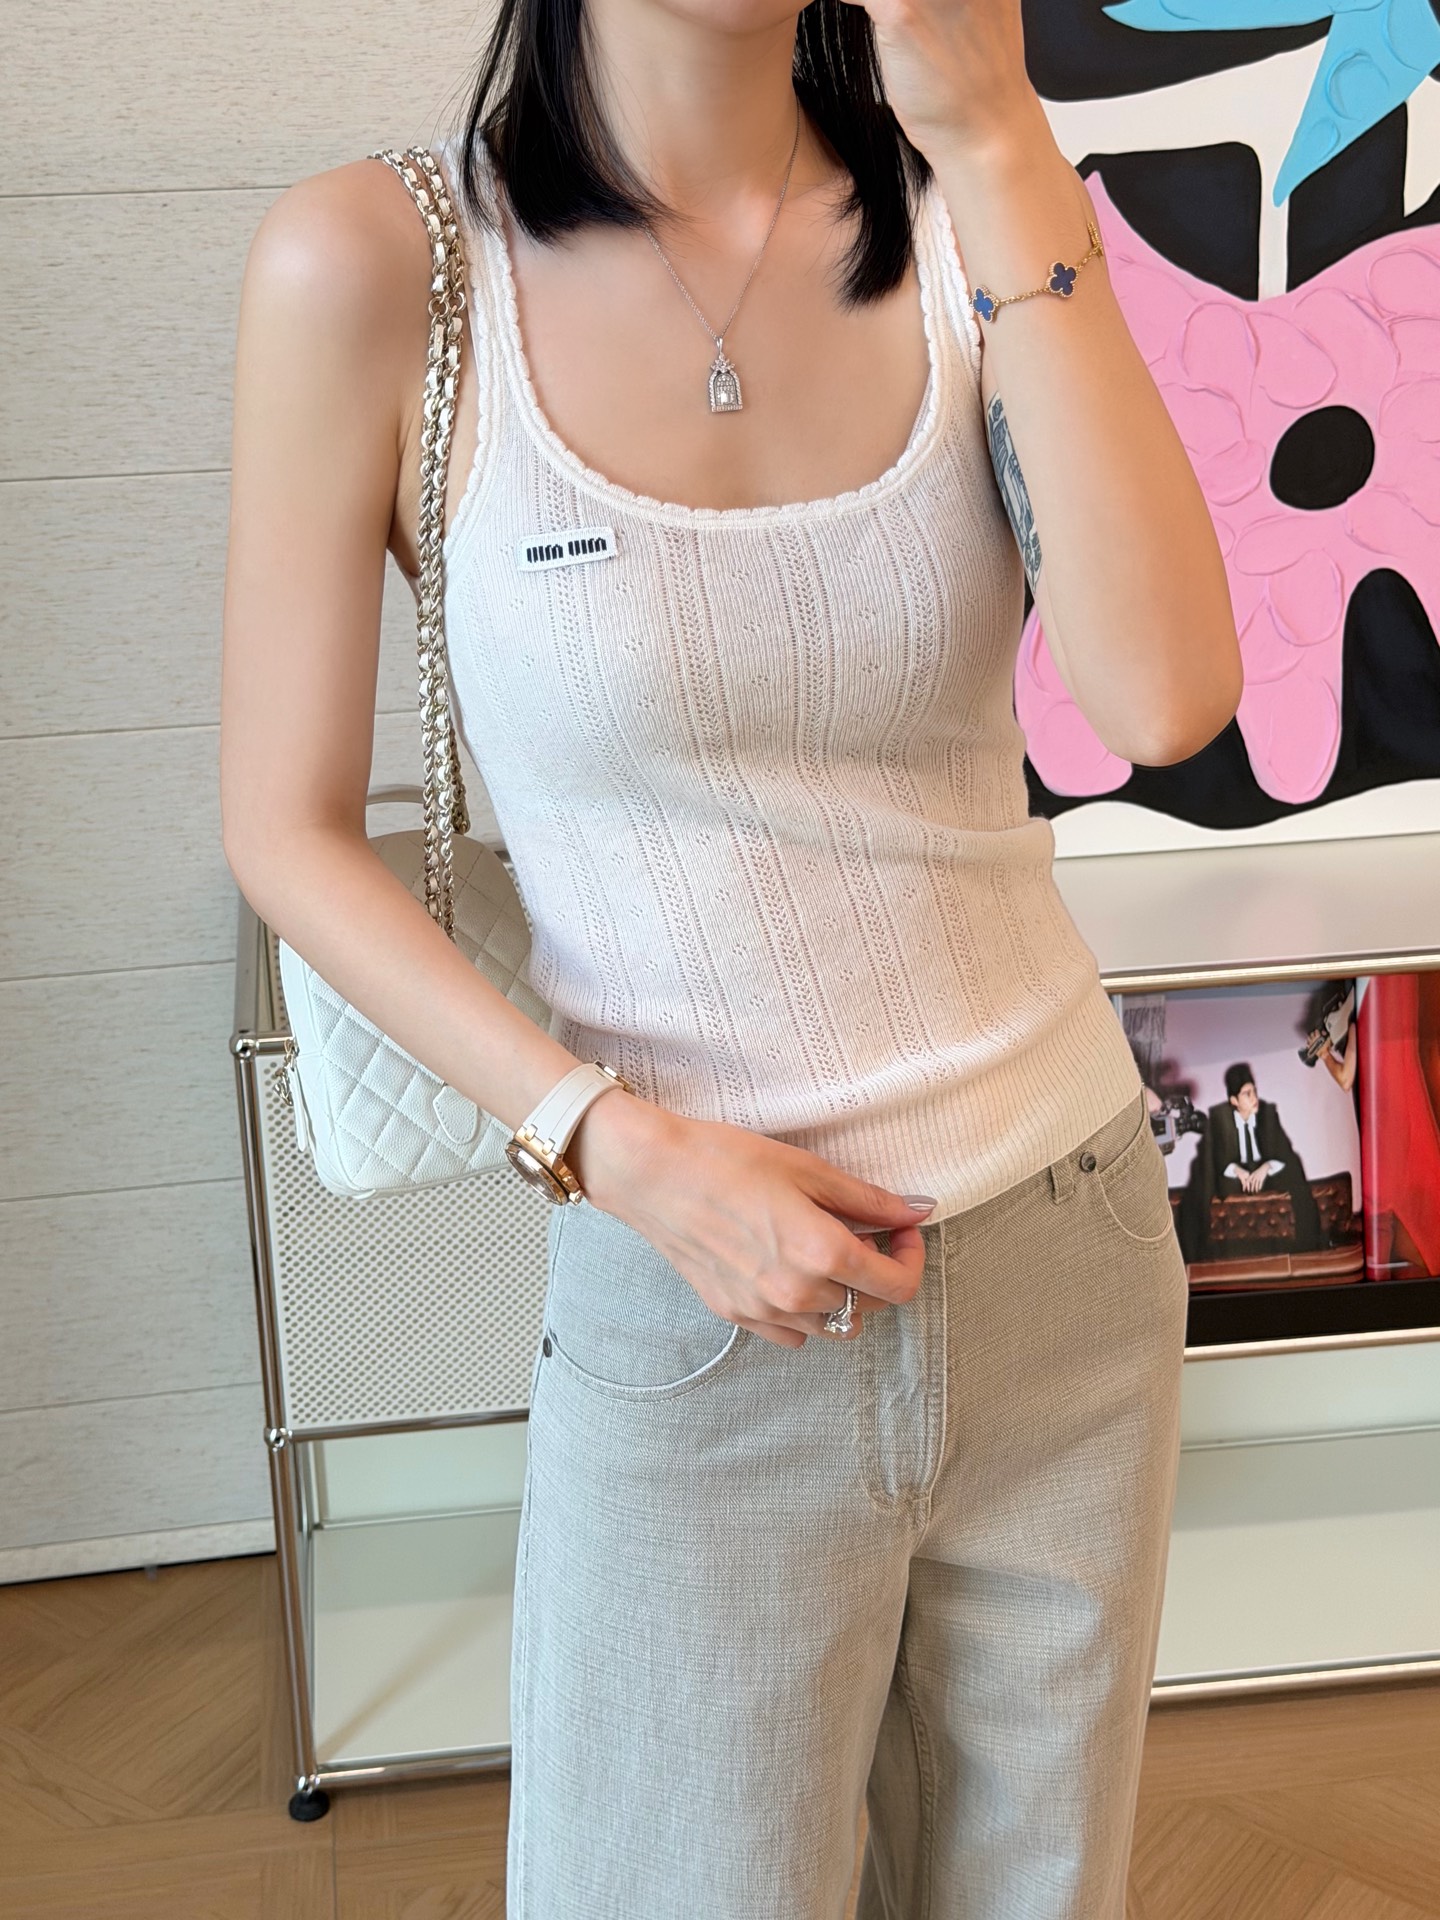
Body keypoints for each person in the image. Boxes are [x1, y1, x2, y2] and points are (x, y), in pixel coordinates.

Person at [219, 0, 1242, 1912]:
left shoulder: (970, 211)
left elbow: (1169, 694)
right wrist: (607, 1146)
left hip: (1069, 1257)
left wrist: (1005, 142)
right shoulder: (382, 268)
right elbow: (284, 829)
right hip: (691, 1291)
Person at [1179, 1062, 1326, 1263]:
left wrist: (1265, 1167)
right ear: (1234, 1100)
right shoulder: (1219, 1118)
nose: (1254, 1098)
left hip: (1264, 1176)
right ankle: (1192, 1255)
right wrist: (1236, 1170)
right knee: (1200, 1174)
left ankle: (1309, 1246)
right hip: (1232, 1179)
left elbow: (1285, 1153)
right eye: (1247, 1094)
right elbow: (1215, 1160)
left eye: (1254, 1091)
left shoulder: (1268, 1113)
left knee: (1294, 1166)